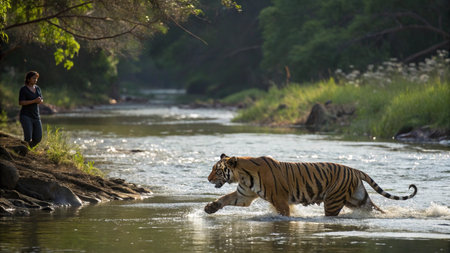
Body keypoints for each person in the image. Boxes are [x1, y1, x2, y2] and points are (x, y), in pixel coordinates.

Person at [19, 71, 43, 148]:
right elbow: (21, 102)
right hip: (26, 116)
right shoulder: (24, 89)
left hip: (36, 116)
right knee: (28, 137)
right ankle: (22, 152)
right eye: (34, 78)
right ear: (28, 79)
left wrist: (40, 101)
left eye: (36, 78)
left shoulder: (38, 88)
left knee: (38, 138)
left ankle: (27, 149)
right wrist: (34, 101)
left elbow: (41, 99)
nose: (35, 80)